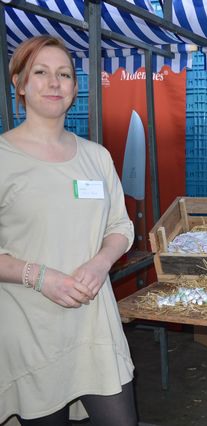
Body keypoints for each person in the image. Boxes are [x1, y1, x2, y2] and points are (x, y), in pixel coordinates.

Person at [0, 36, 137, 425]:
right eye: (40, 72)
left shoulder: (96, 157)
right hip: (29, 328)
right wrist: (40, 276)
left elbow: (120, 226)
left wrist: (100, 263)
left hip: (94, 322)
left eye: (64, 74)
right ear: (19, 83)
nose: (54, 83)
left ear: (75, 88)